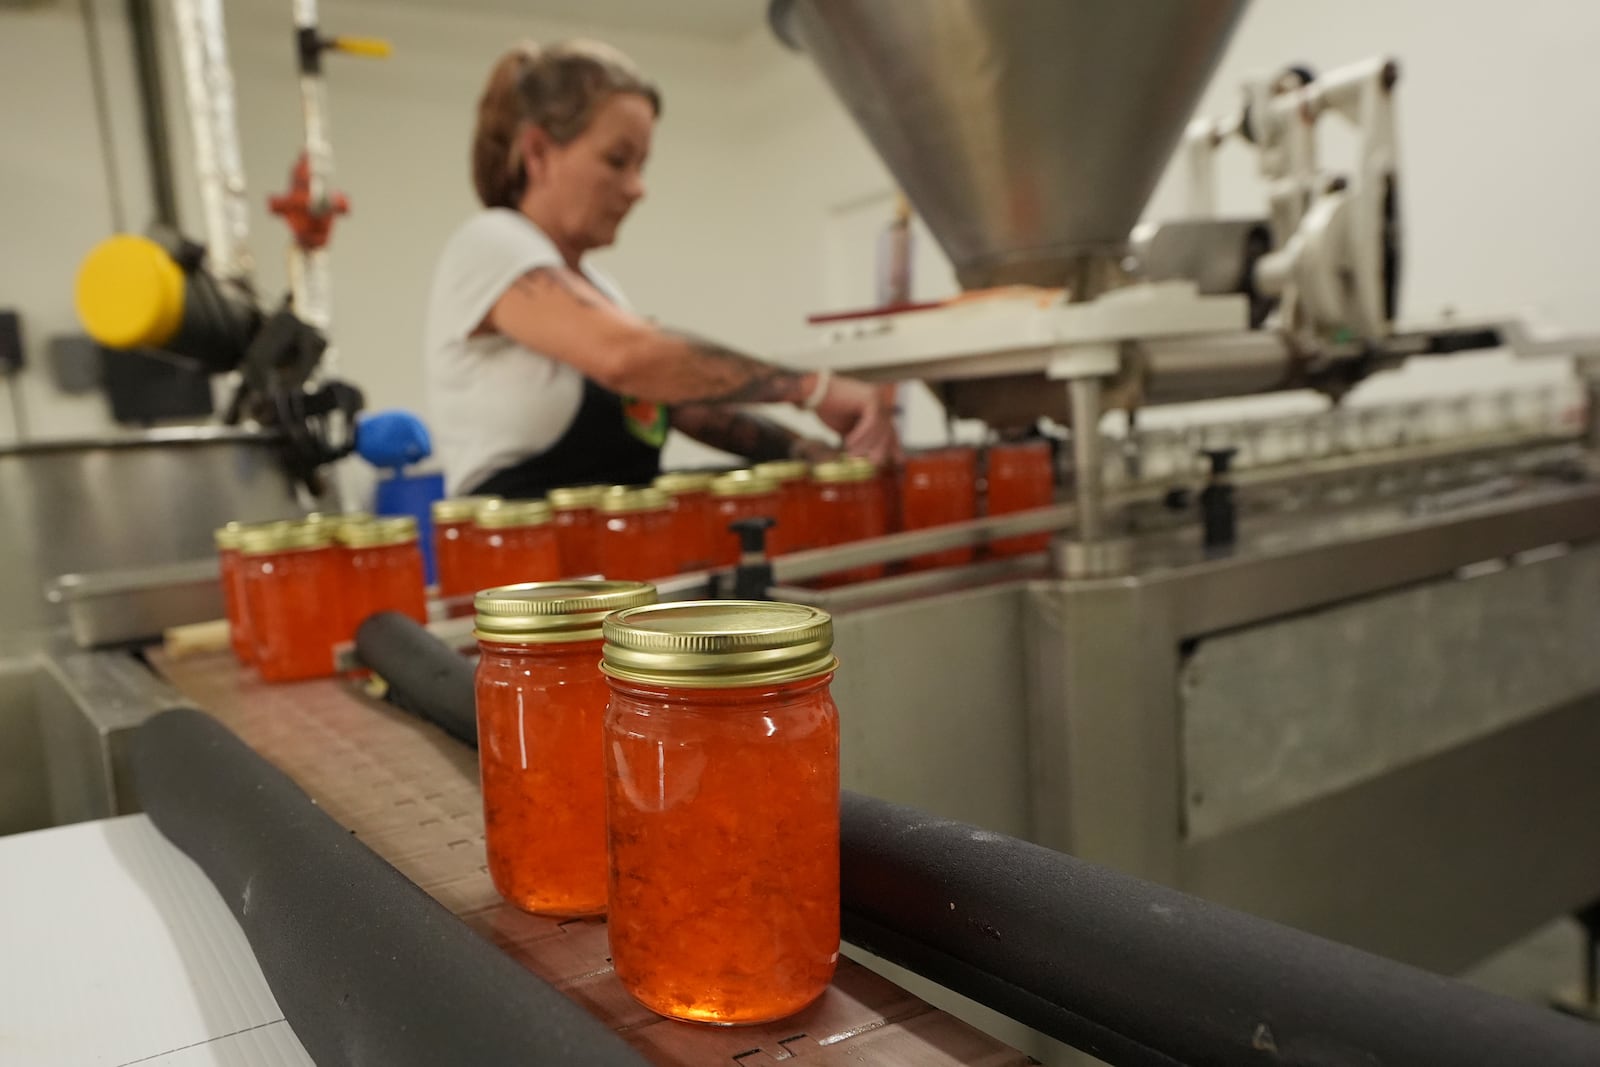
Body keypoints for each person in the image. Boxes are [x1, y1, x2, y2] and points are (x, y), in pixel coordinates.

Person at [424, 40, 899, 498]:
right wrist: (813, 388)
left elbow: (677, 400)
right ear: (538, 153)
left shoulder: (600, 291)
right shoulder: (490, 243)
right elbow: (630, 357)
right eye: (617, 160)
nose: (637, 188)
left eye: (641, 165)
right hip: (522, 571)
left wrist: (804, 452)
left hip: (614, 564)